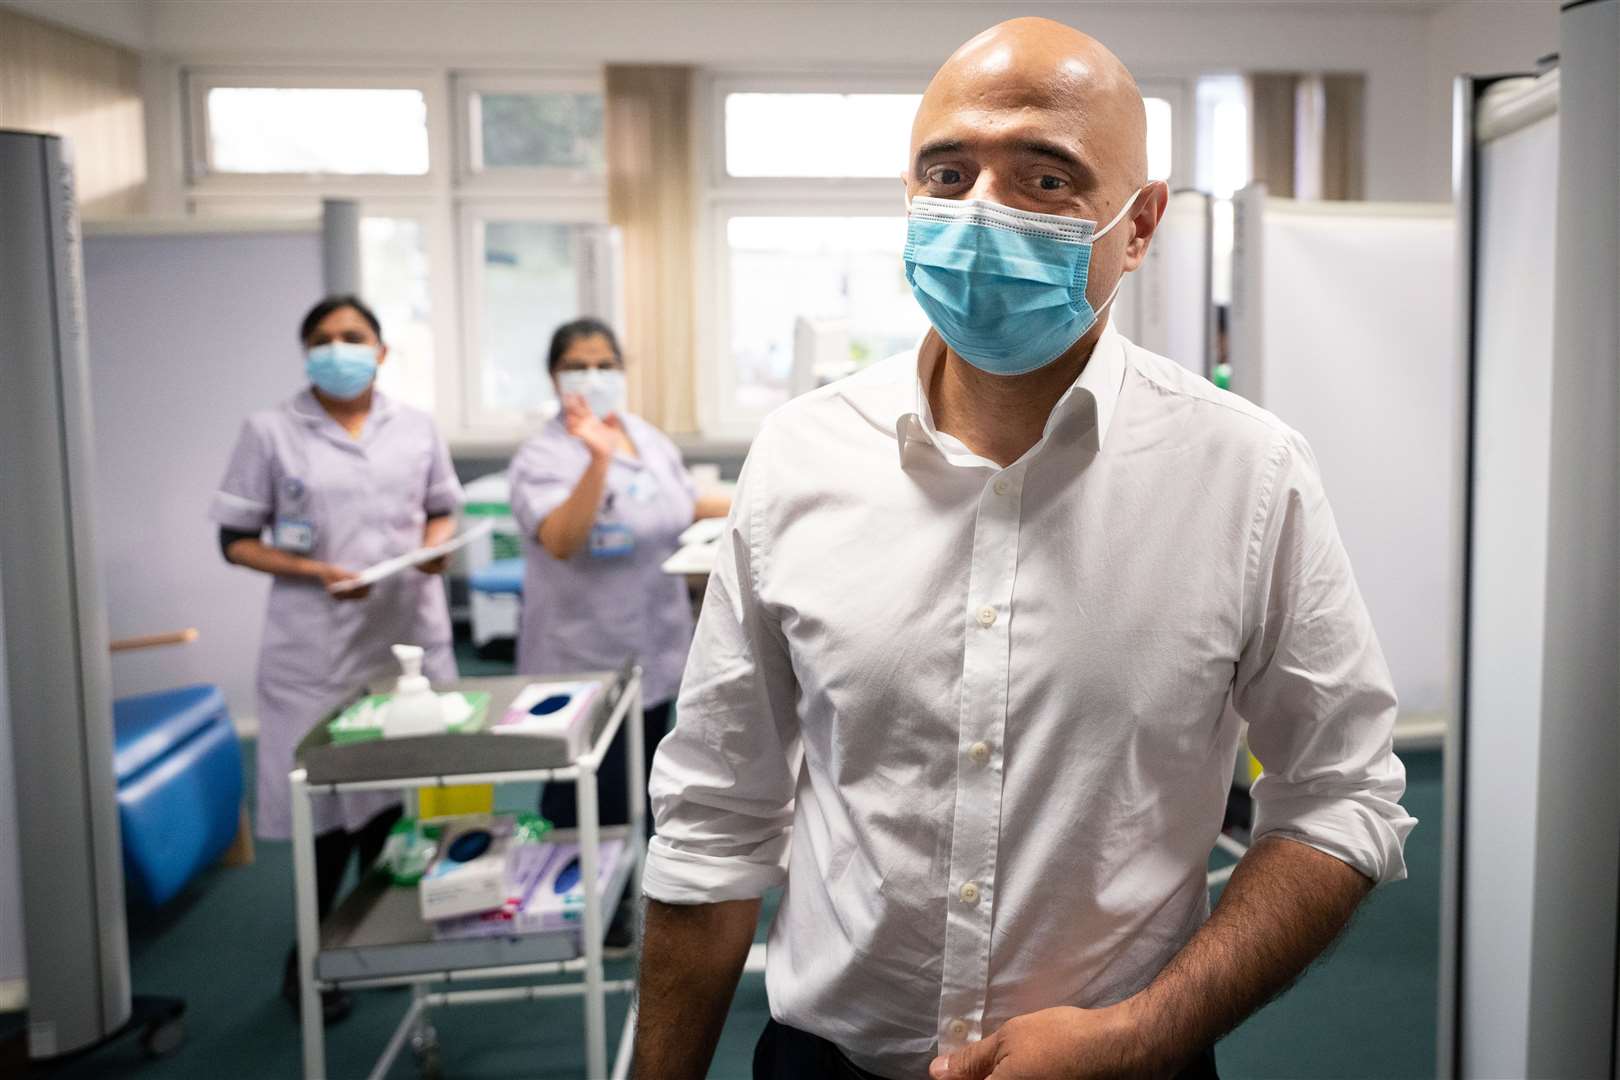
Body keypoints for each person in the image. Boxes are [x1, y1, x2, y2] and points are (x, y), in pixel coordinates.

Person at [635, 18, 1415, 1080]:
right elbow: (715, 816)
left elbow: (1344, 794)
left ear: (1138, 229)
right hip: (828, 1060)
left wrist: (1149, 1031)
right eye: (946, 173)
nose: (980, 212)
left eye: (1046, 181)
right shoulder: (798, 456)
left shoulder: (1247, 476)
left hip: (1131, 1060)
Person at [210, 295, 462, 1023]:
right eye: (322, 339)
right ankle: (311, 956)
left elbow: (442, 506)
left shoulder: (415, 427)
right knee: (322, 808)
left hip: (403, 632)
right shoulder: (270, 432)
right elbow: (234, 539)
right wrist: (316, 573)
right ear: (305, 354)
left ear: (381, 351)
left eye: (354, 337)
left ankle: (367, 939)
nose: (338, 349)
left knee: (386, 796)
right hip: (311, 647)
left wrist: (434, 548)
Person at [507, 318, 728, 839]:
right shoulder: (542, 455)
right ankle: (583, 913)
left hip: (653, 646)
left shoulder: (644, 436)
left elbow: (682, 504)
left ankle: (633, 907)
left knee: (648, 790)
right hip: (582, 658)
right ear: (553, 376)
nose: (593, 376)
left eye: (605, 365)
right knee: (586, 806)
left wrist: (766, 494)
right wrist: (598, 460)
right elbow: (561, 538)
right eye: (577, 367)